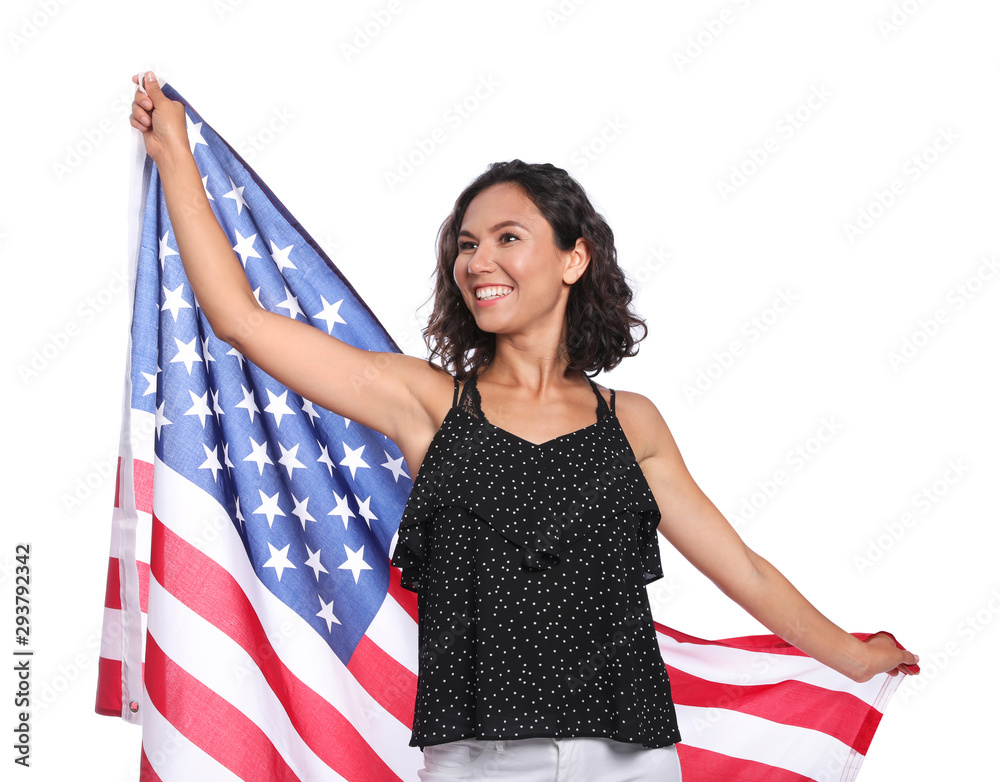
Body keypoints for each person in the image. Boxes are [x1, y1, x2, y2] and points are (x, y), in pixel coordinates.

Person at [129, 71, 919, 782]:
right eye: (467, 245)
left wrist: (852, 654)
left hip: (630, 761)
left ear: (574, 260)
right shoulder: (427, 403)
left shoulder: (632, 425)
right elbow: (240, 319)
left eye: (508, 238)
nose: (479, 261)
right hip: (477, 764)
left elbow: (740, 569)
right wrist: (176, 159)